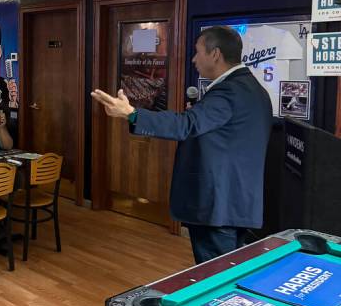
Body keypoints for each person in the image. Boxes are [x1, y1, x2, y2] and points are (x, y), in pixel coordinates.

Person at [91, 25, 273, 264]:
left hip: (217, 206)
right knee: (229, 274)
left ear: (215, 54)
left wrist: (132, 113)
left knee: (215, 280)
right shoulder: (253, 89)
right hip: (237, 202)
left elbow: (185, 125)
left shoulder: (228, 92)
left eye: (198, 52)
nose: (194, 59)